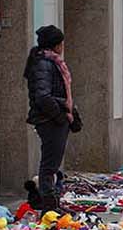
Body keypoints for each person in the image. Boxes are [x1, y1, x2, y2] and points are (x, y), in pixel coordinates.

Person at [25, 25, 82, 212]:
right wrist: (60, 115)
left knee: (52, 162)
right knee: (49, 164)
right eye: (61, 43)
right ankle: (48, 205)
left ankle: (50, 202)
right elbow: (42, 96)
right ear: (55, 45)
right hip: (49, 120)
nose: (63, 46)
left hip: (53, 119)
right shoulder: (45, 64)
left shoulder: (50, 62)